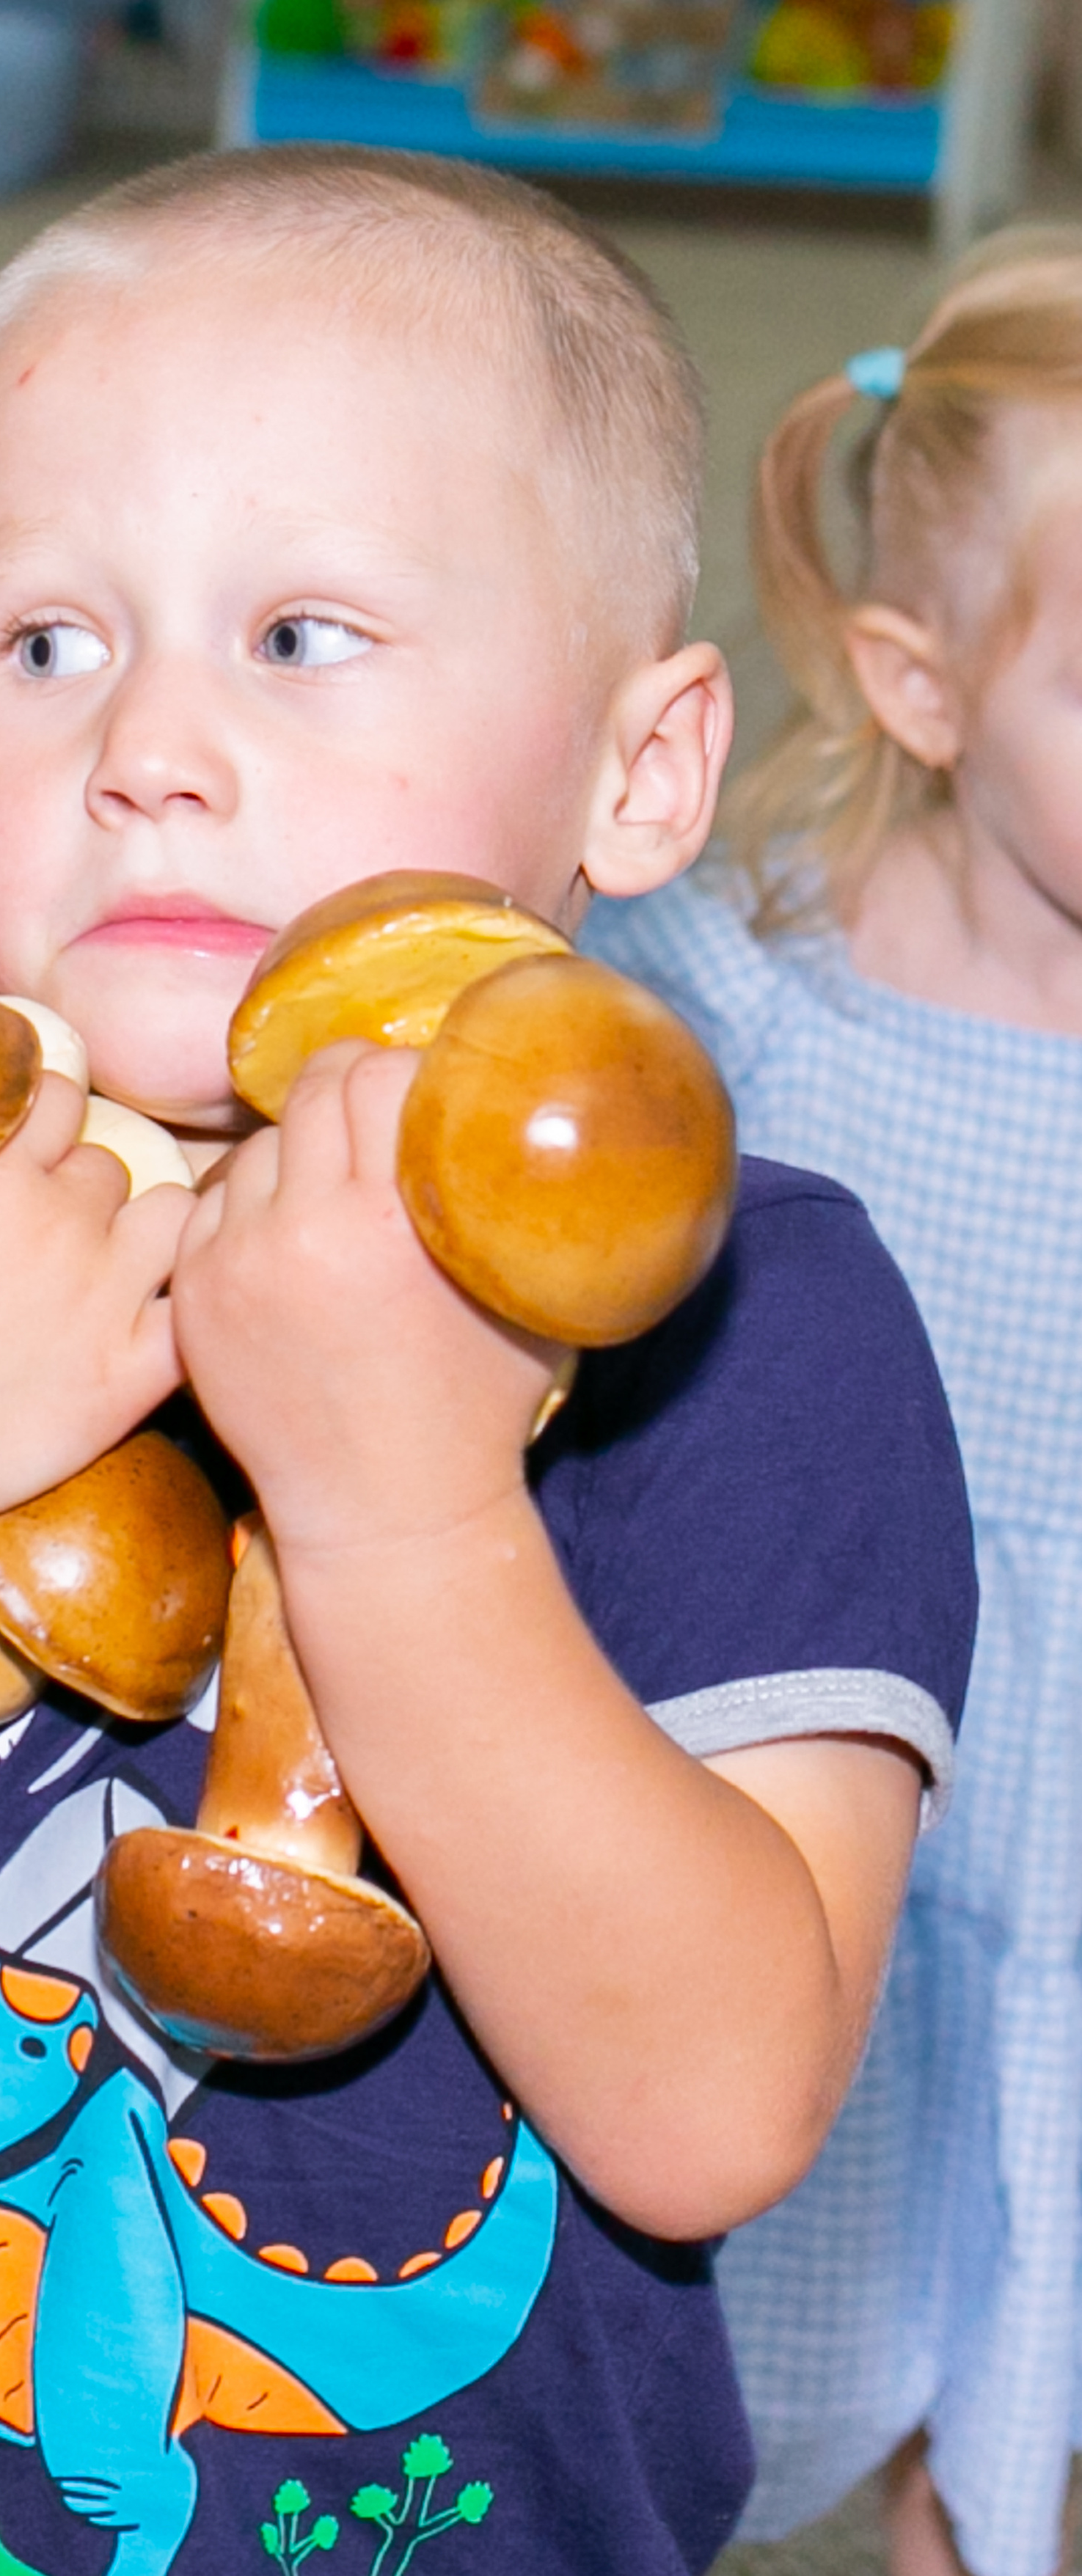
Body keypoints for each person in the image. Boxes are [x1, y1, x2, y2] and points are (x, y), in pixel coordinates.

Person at [0, 147, 975, 2576]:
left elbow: (707, 2111)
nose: (144, 741)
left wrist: (403, 1510)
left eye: (300, 633)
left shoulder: (755, 1325)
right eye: (47, 640)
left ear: (639, 772)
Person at [585, 227, 1082, 2576]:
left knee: (1034, 2405)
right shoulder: (737, 1010)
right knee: (683, 2350)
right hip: (832, 1788)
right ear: (921, 683)